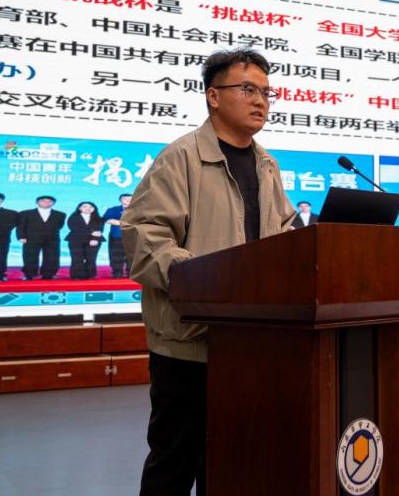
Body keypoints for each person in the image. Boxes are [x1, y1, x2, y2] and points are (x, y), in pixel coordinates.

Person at [122, 49, 295, 496]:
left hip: (250, 340)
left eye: (266, 92)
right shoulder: (181, 157)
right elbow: (144, 236)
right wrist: (209, 279)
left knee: (232, 463)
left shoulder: (267, 165)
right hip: (189, 341)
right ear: (213, 96)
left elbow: (282, 235)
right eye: (248, 89)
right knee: (174, 464)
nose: (260, 101)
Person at [17, 195, 66, 280]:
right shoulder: (25, 213)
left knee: (52, 256)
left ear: (53, 203)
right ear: (37, 202)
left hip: (52, 238)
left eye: (49, 201)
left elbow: (59, 226)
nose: (46, 203)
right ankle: (29, 274)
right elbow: (21, 226)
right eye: (43, 201)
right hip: (31, 238)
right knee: (30, 256)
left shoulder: (60, 214)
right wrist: (21, 236)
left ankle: (49, 274)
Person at [67, 201, 105, 279]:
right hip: (76, 240)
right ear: (79, 208)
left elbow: (99, 231)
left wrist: (95, 239)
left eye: (90, 207)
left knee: (91, 258)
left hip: (94, 240)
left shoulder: (99, 219)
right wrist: (91, 232)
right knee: (77, 258)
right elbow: (74, 228)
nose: (88, 208)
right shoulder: (73, 217)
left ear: (94, 209)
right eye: (84, 206)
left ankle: (90, 275)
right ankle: (76, 275)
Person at [103, 193, 133, 278]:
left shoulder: (140, 209)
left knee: (133, 256)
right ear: (121, 200)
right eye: (125, 199)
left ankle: (132, 272)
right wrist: (126, 223)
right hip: (117, 236)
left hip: (134, 237)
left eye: (130, 199)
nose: (128, 200)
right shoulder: (114, 209)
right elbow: (108, 220)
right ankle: (117, 272)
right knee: (116, 255)